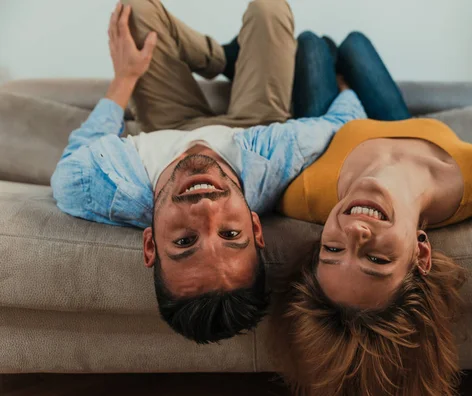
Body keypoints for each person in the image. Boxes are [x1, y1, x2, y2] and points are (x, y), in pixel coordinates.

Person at [51, 0, 366, 344]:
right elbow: (341, 122)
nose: (205, 207)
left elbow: (82, 146)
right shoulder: (275, 157)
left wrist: (125, 77)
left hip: (169, 123)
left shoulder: (90, 184)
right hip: (247, 125)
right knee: (268, 9)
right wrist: (346, 86)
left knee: (136, 11)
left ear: (150, 244)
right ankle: (229, 57)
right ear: (256, 227)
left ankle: (226, 57)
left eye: (185, 241)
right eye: (231, 235)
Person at [270, 32, 472, 396]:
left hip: (332, 127)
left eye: (333, 251)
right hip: (401, 120)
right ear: (421, 252)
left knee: (309, 44)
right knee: (355, 44)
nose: (354, 230)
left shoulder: (302, 195)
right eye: (377, 258)